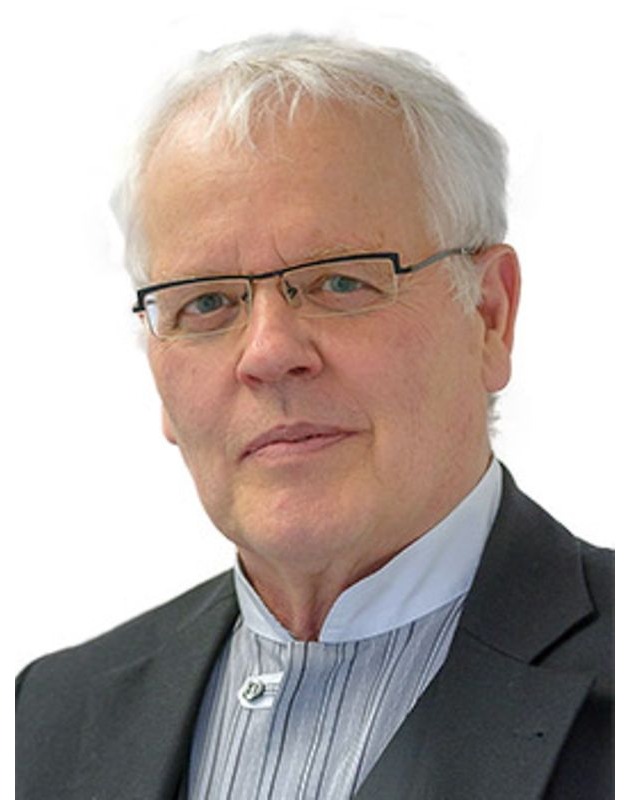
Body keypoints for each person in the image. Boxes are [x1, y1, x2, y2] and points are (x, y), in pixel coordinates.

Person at [15, 34, 613, 800]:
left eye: (340, 282)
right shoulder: (47, 720)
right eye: (207, 302)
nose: (268, 353)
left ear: (489, 317)